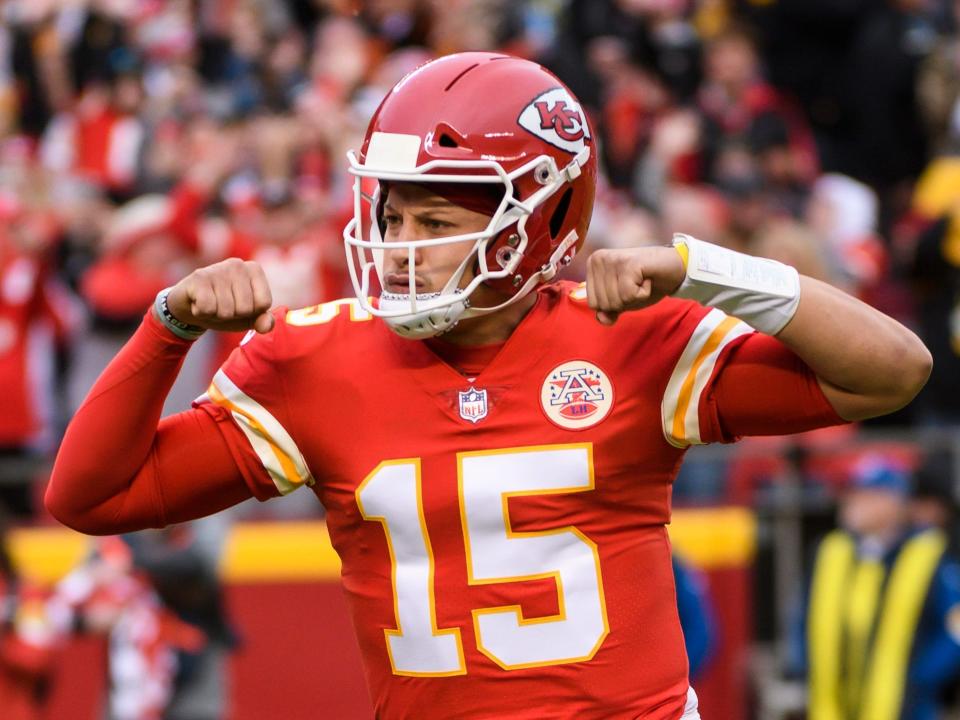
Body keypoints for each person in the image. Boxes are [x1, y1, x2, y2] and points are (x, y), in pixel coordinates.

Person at [44, 53, 931, 720]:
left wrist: (707, 271)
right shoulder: (311, 360)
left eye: (436, 220)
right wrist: (169, 327)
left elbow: (891, 372)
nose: (399, 244)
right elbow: (93, 494)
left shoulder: (631, 336)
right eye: (391, 214)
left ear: (543, 219)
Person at [795, 454, 960, 720]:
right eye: (852, 493)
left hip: (904, 708)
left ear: (894, 502)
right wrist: (804, 664)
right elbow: (803, 616)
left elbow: (955, 628)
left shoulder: (927, 553)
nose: (852, 503)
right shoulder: (831, 550)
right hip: (832, 706)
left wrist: (920, 677)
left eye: (866, 495)